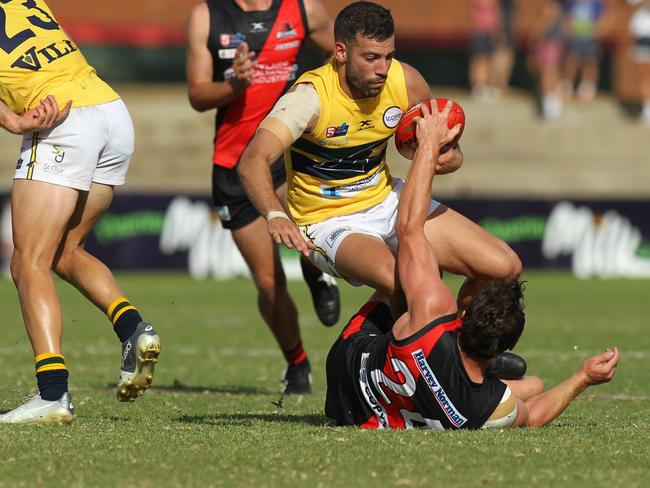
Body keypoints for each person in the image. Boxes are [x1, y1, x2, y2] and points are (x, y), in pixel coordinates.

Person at [325, 100, 619, 430]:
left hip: (346, 371)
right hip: (356, 410)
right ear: (505, 347)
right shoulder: (487, 406)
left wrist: (429, 146)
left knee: (416, 275)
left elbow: (408, 228)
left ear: (461, 318)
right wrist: (583, 377)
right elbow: (534, 414)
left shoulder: (432, 312)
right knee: (532, 386)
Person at [238, 1, 521, 323]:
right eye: (371, 57)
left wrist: (447, 155)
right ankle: (359, 350)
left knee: (503, 267)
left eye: (388, 56)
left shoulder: (406, 81)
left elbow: (448, 152)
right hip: (328, 221)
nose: (383, 68)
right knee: (412, 283)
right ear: (341, 52)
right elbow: (252, 160)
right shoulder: (309, 97)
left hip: (386, 199)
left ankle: (459, 352)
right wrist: (275, 215)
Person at [0, 0, 160, 424]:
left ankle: (52, 394)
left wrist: (14, 122)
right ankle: (134, 330)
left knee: (27, 262)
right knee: (65, 251)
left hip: (61, 120)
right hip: (111, 111)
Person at [185, 0, 338, 395]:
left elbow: (340, 54)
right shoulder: (207, 15)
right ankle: (297, 363)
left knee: (313, 237)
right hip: (234, 164)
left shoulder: (306, 10)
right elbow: (198, 95)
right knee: (269, 283)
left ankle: (316, 271)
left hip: (288, 154)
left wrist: (317, 92)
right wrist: (235, 83)